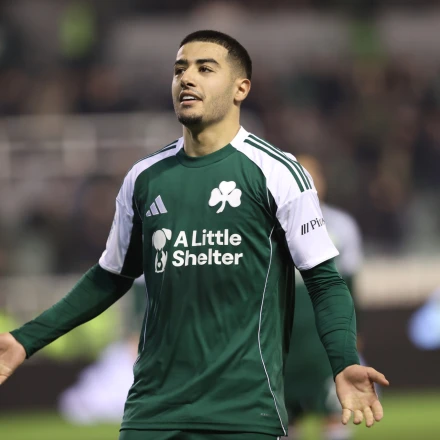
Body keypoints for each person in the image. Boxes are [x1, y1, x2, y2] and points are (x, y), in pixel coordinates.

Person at [0, 30, 388, 440]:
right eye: (179, 69)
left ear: (241, 88)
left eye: (205, 69)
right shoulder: (144, 178)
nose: (187, 78)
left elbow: (326, 281)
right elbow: (109, 277)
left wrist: (344, 360)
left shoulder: (278, 173)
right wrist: (26, 340)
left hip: (244, 414)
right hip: (151, 413)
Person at [283, 155, 364, 440]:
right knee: (283, 419)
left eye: (313, 176)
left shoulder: (342, 226)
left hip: (324, 341)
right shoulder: (268, 226)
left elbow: (350, 284)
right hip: (282, 340)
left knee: (336, 412)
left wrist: (355, 332)